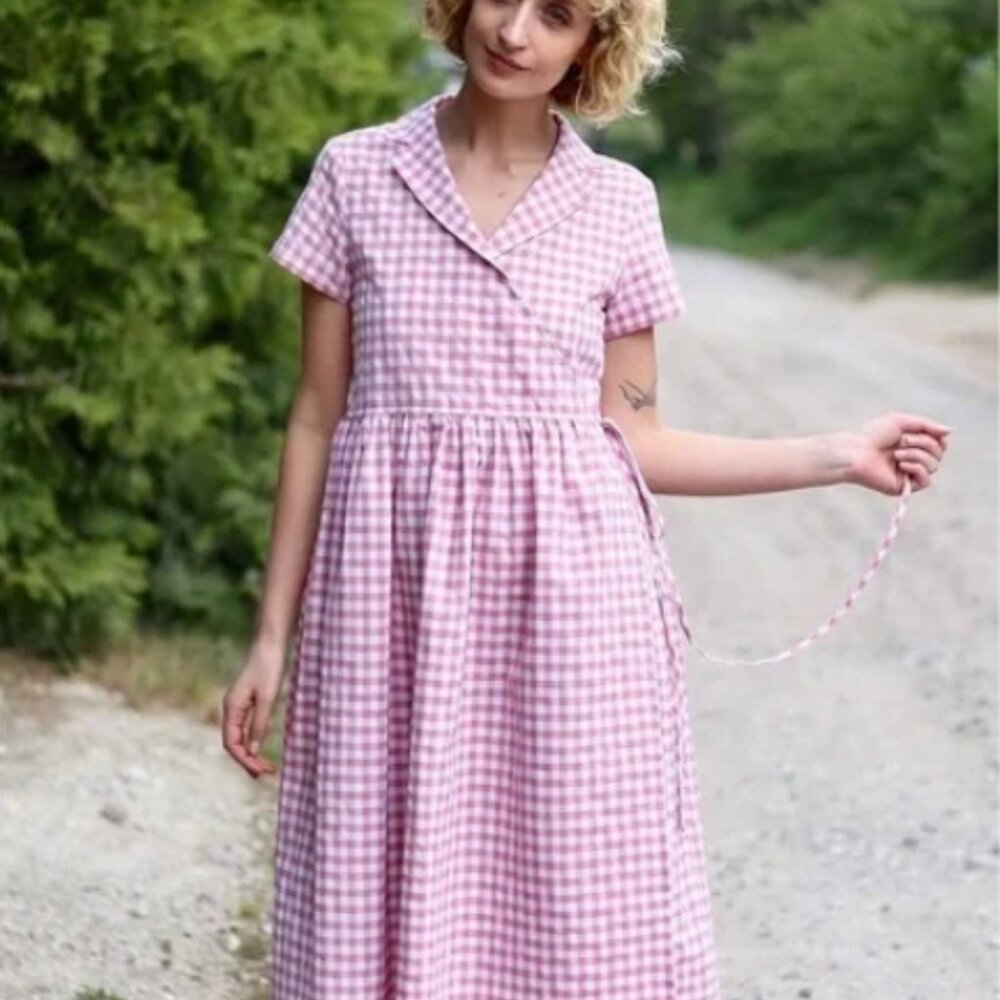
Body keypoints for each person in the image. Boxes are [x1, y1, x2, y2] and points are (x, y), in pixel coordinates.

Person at [221, 1, 951, 997]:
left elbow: (635, 438)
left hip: (573, 611)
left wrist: (835, 452)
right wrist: (271, 634)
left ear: (592, 43)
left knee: (569, 899)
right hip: (385, 614)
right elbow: (314, 415)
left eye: (556, 14)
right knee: (377, 873)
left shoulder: (618, 205)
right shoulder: (356, 173)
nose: (514, 31)